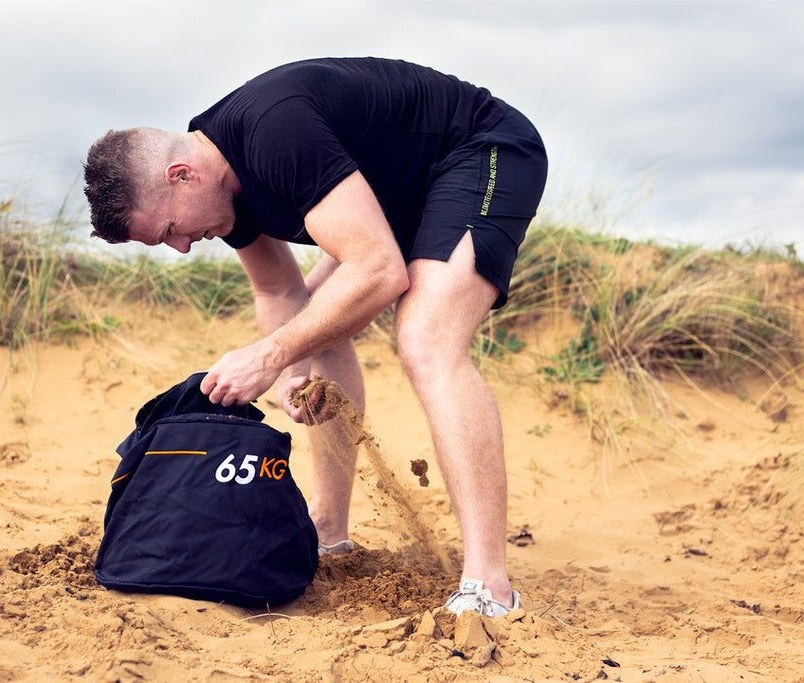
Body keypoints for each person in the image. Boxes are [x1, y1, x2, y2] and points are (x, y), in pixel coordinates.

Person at [83, 57, 547, 617]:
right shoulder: (223, 187)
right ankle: (332, 530)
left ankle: (489, 586)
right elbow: (279, 292)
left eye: (171, 231)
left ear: (181, 175)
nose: (183, 247)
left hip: (480, 149)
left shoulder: (274, 134)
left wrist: (270, 353)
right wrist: (290, 370)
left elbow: (379, 272)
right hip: (403, 195)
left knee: (426, 339)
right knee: (320, 319)